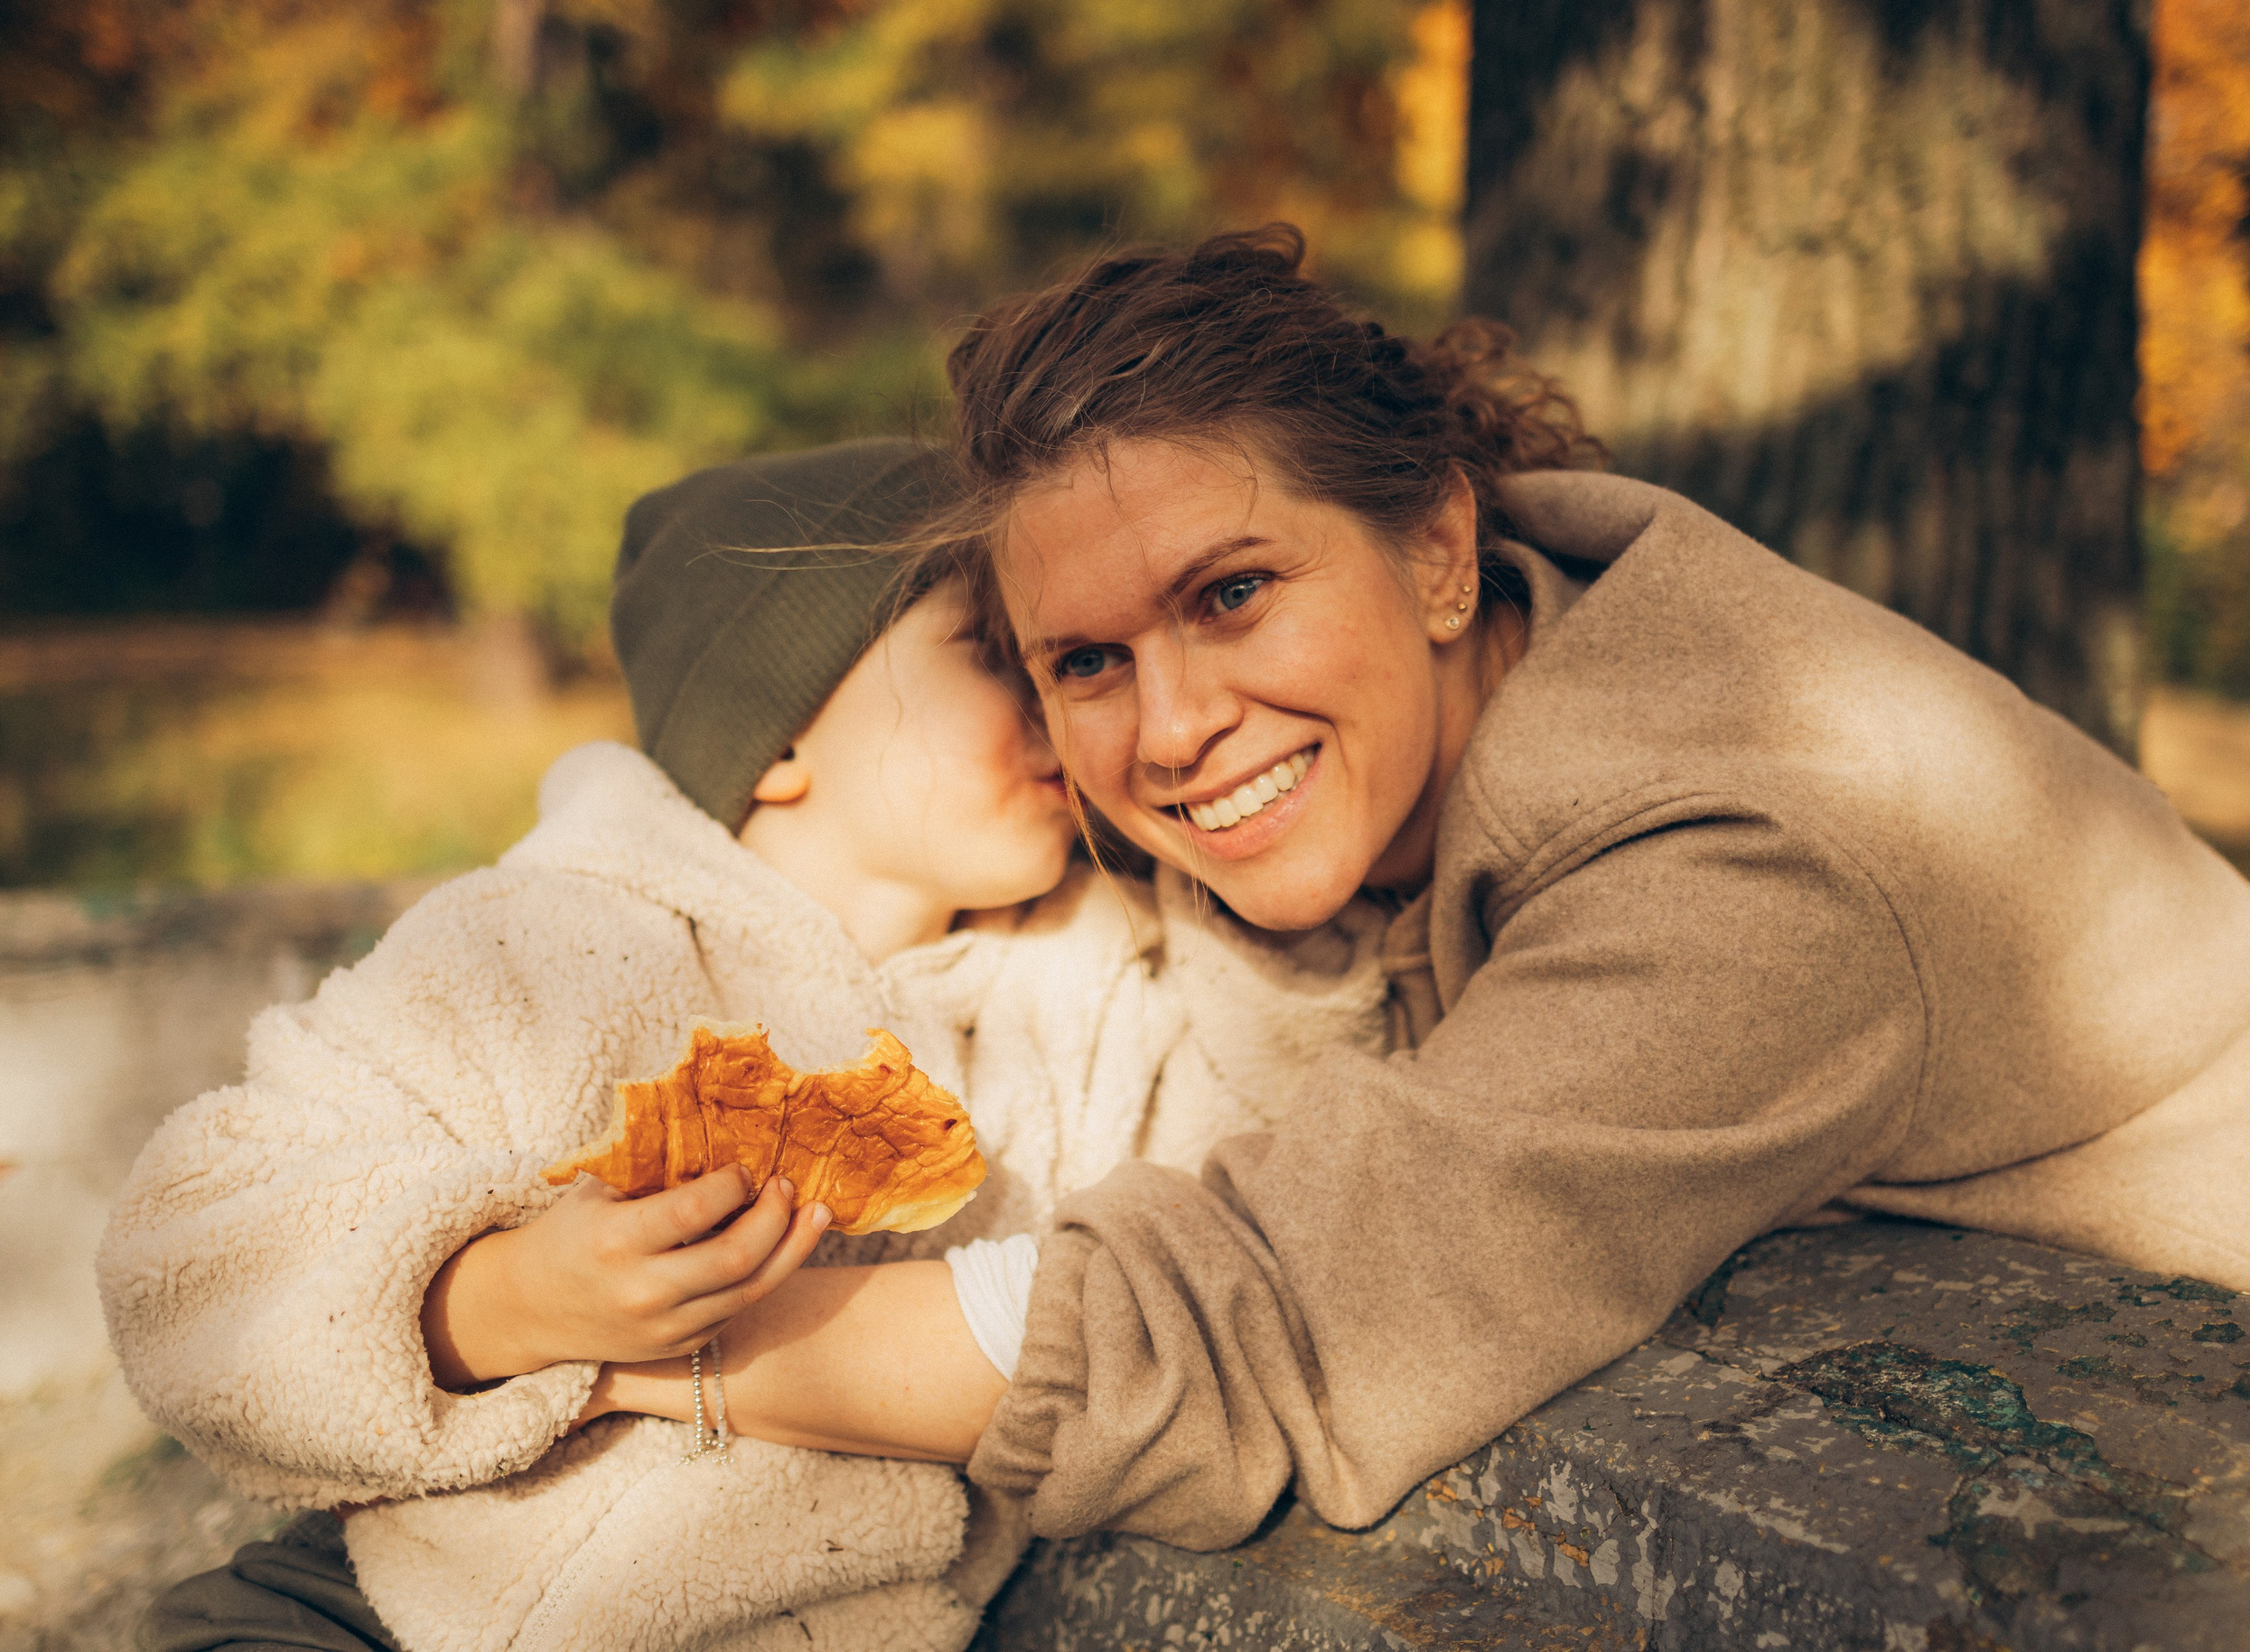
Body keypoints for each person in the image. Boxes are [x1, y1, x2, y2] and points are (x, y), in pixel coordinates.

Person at [697, 227, 2250, 1555]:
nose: (1169, 730)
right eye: (1087, 661)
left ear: (1441, 546)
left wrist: (624, 1346)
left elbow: (1278, 1327)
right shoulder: (1429, 723)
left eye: (1232, 594)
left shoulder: (1743, 844)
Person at [109, 439, 1390, 1652]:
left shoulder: (1095, 979)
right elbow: (193, 1255)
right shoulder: (543, 941)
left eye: (1067, 663)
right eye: (993, 657)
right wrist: (505, 1295)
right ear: (778, 740)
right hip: (391, 1609)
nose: (1060, 707)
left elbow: (1285, 1106)